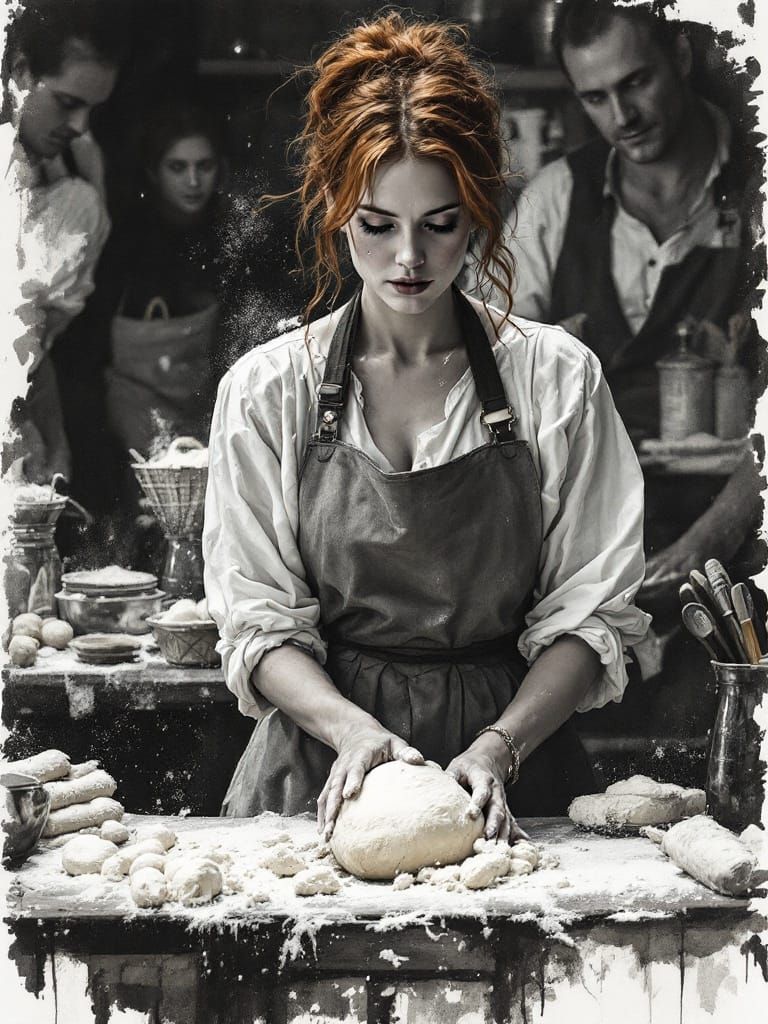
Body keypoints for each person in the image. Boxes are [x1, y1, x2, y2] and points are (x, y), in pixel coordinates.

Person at [203, 12, 649, 841]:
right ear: (336, 210)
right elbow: (256, 621)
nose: (409, 258)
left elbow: (594, 613)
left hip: (516, 772)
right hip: (319, 778)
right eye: (378, 225)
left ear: (478, 210)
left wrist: (499, 746)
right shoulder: (269, 392)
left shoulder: (555, 379)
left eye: (440, 224)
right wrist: (352, 732)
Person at [505, 0, 763, 590]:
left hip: (742, 542)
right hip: (586, 540)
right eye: (595, 98)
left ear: (680, 57)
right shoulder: (554, 202)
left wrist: (706, 545)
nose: (623, 117)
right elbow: (492, 381)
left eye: (636, 82)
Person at [1, 0, 131, 484]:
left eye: (91, 110)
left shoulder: (69, 173)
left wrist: (49, 449)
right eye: (68, 103)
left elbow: (31, 344)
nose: (78, 127)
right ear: (20, 73)